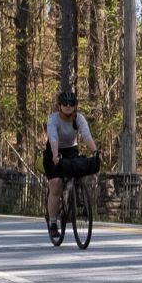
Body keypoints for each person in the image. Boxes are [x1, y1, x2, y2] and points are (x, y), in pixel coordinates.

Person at [44, 90, 100, 240]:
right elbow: (53, 138)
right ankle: (53, 223)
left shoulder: (79, 118)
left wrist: (95, 152)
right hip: (53, 152)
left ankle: (78, 197)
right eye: (65, 104)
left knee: (82, 169)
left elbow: (86, 136)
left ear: (75, 106)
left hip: (71, 150)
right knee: (56, 184)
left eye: (71, 104)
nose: (68, 106)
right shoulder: (53, 119)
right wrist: (55, 155)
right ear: (59, 106)